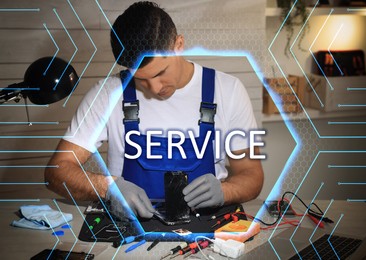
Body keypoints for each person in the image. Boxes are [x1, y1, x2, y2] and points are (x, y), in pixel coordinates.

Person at [45, 1, 264, 220]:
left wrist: (225, 191)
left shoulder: (228, 90)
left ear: (179, 44)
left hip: (207, 229)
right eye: (141, 80)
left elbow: (252, 175)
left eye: (160, 73)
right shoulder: (107, 94)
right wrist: (107, 187)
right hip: (131, 228)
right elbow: (57, 171)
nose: (155, 88)